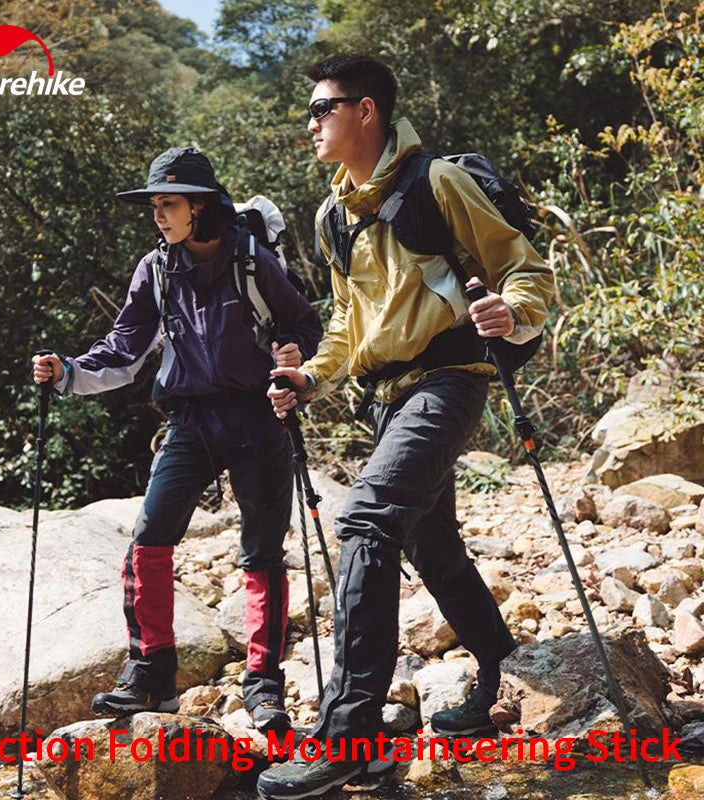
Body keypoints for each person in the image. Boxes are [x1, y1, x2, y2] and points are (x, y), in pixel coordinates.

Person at [257, 54, 555, 797]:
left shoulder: (435, 183)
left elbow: (528, 271)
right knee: (431, 540)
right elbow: (346, 326)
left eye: (323, 109)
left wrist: (510, 312)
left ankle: (349, 735)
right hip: (388, 399)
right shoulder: (334, 215)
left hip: (451, 381)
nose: (312, 123)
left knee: (365, 521)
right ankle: (500, 678)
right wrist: (310, 378)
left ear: (368, 111)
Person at [32, 146, 322, 734]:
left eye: (168, 204)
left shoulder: (253, 262)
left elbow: (307, 326)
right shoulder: (155, 269)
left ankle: (264, 688)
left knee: (262, 552)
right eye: (155, 206)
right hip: (190, 421)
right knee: (148, 538)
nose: (158, 216)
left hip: (258, 415)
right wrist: (66, 371)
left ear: (201, 206)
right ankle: (152, 674)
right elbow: (124, 350)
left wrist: (294, 354)